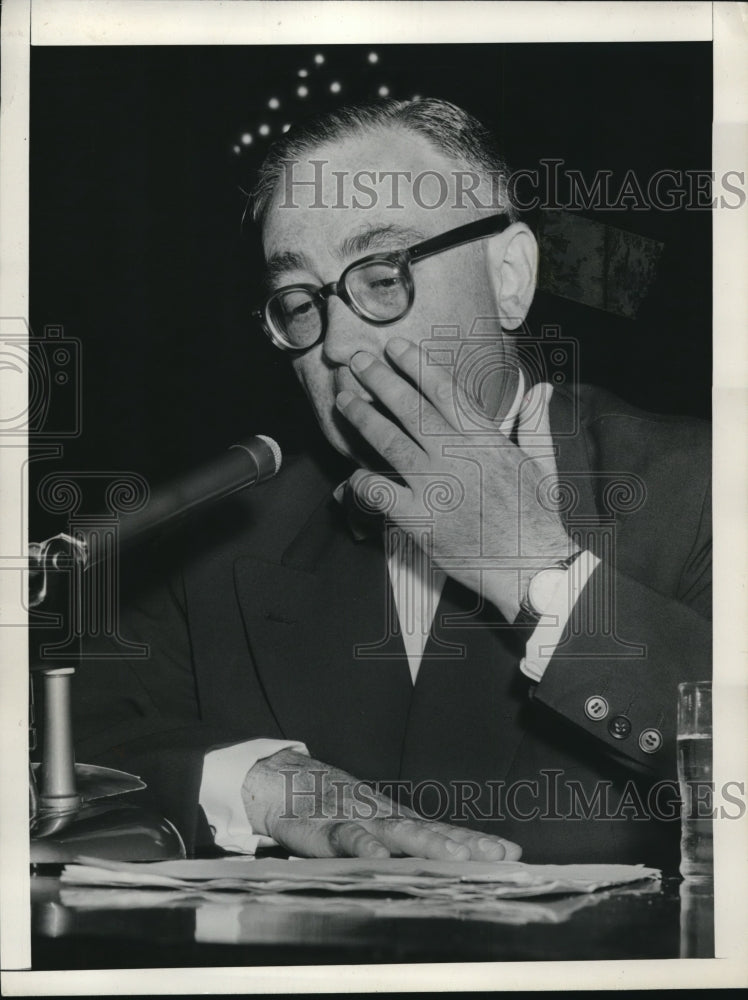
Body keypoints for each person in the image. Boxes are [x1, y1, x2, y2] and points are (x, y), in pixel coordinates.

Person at [72, 99, 711, 870]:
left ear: (510, 278)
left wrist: (538, 574)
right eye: (299, 303)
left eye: (382, 276)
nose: (337, 345)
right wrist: (261, 784)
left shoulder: (705, 487)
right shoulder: (216, 538)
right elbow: (67, 742)